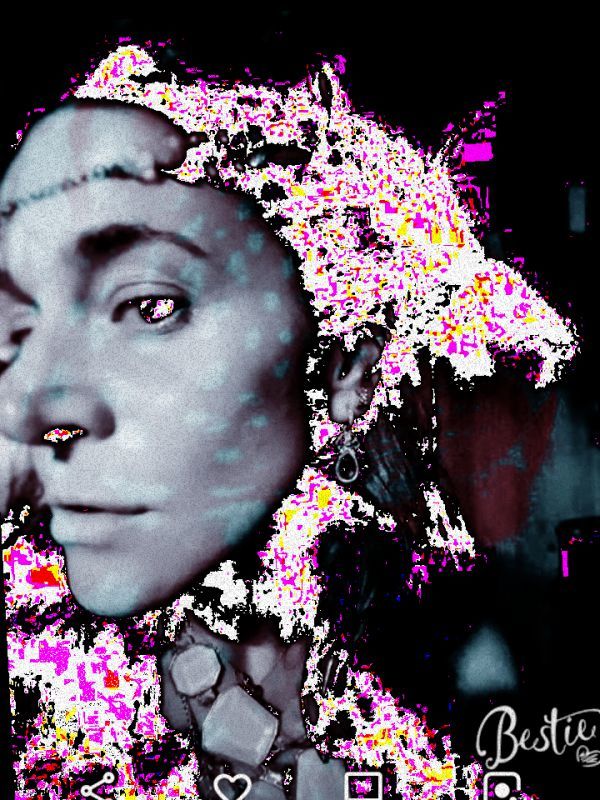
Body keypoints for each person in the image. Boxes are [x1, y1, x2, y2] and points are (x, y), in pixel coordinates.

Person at [0, 43, 576, 800]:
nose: (35, 406)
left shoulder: (454, 732)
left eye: (149, 306)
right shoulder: (49, 714)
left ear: (347, 370)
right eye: (22, 327)